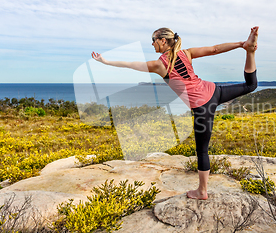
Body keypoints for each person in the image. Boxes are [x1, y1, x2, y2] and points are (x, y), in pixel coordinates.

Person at [92, 26, 258, 200]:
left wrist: (107, 62)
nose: (152, 44)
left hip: (202, 107)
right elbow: (215, 49)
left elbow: (131, 65)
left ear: (163, 41)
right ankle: (250, 51)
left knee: (202, 150)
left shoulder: (159, 64)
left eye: (154, 40)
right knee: (250, 86)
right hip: (215, 90)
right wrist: (241, 44)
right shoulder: (186, 53)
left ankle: (202, 192)